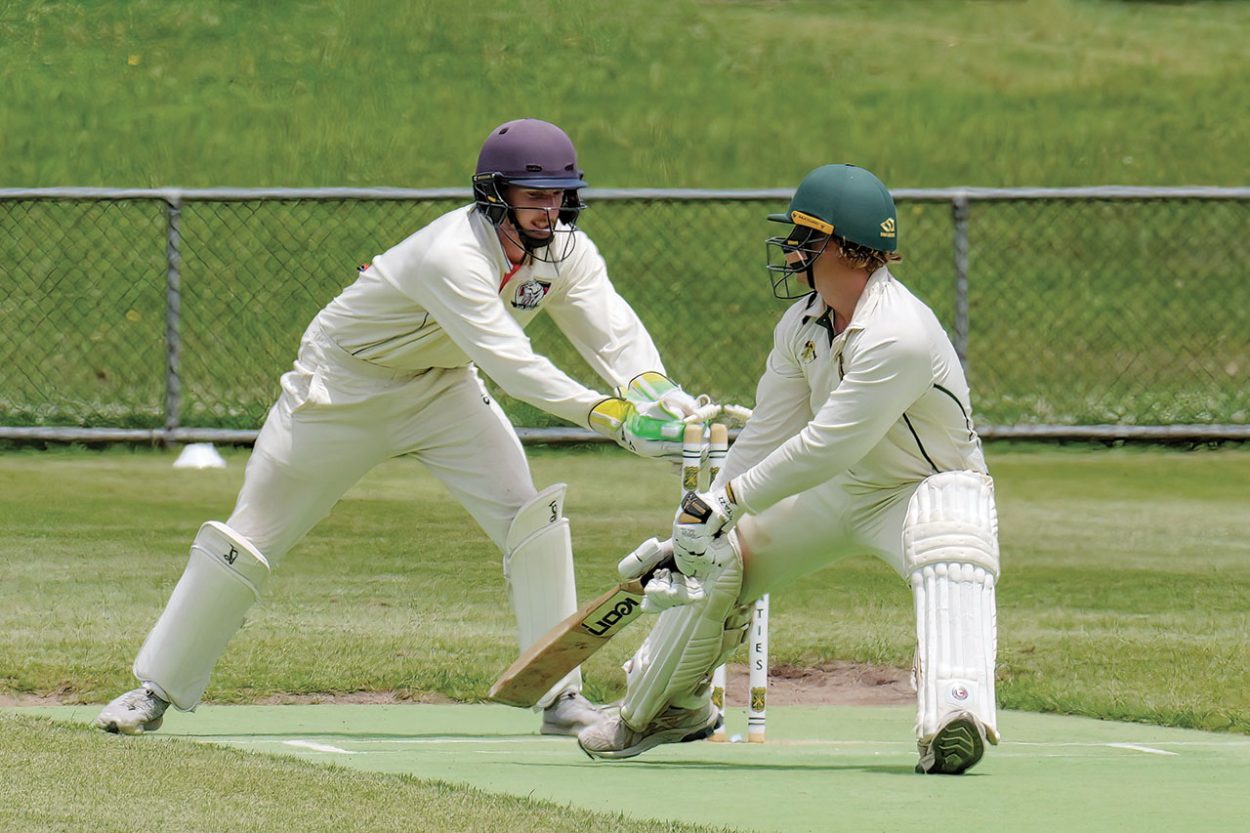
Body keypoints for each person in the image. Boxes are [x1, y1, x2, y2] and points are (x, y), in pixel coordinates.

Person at [95, 118, 706, 737]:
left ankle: (560, 698)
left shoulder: (567, 251)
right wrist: (609, 416)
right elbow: (511, 363)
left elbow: (612, 330)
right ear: (496, 193)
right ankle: (154, 691)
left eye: (558, 195)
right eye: (532, 194)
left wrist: (658, 394)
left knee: (531, 517)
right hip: (342, 388)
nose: (549, 209)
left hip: (442, 388)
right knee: (253, 536)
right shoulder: (451, 255)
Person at [578, 164, 1001, 775]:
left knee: (950, 536)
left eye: (804, 236)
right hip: (841, 490)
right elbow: (770, 432)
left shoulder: (899, 334)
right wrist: (700, 523)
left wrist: (727, 501)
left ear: (841, 247)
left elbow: (828, 443)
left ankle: (953, 716)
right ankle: (663, 709)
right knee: (721, 556)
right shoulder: (803, 322)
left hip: (925, 486)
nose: (792, 250)